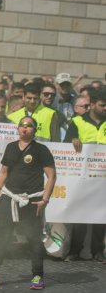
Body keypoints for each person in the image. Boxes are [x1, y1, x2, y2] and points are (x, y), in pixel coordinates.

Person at [0, 116, 56, 290]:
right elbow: (3, 173)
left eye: (30, 126)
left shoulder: (41, 150)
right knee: (0, 237)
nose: (25, 128)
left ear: (35, 130)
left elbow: (51, 176)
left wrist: (45, 200)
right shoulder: (11, 147)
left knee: (34, 238)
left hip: (31, 200)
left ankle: (37, 275)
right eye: (22, 125)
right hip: (9, 197)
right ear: (18, 128)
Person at [63, 89, 105, 262]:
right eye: (103, 105)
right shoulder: (77, 122)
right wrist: (73, 140)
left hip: (103, 178)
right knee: (80, 215)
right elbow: (65, 145)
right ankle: (75, 250)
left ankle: (98, 251)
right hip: (82, 177)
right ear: (93, 104)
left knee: (101, 215)